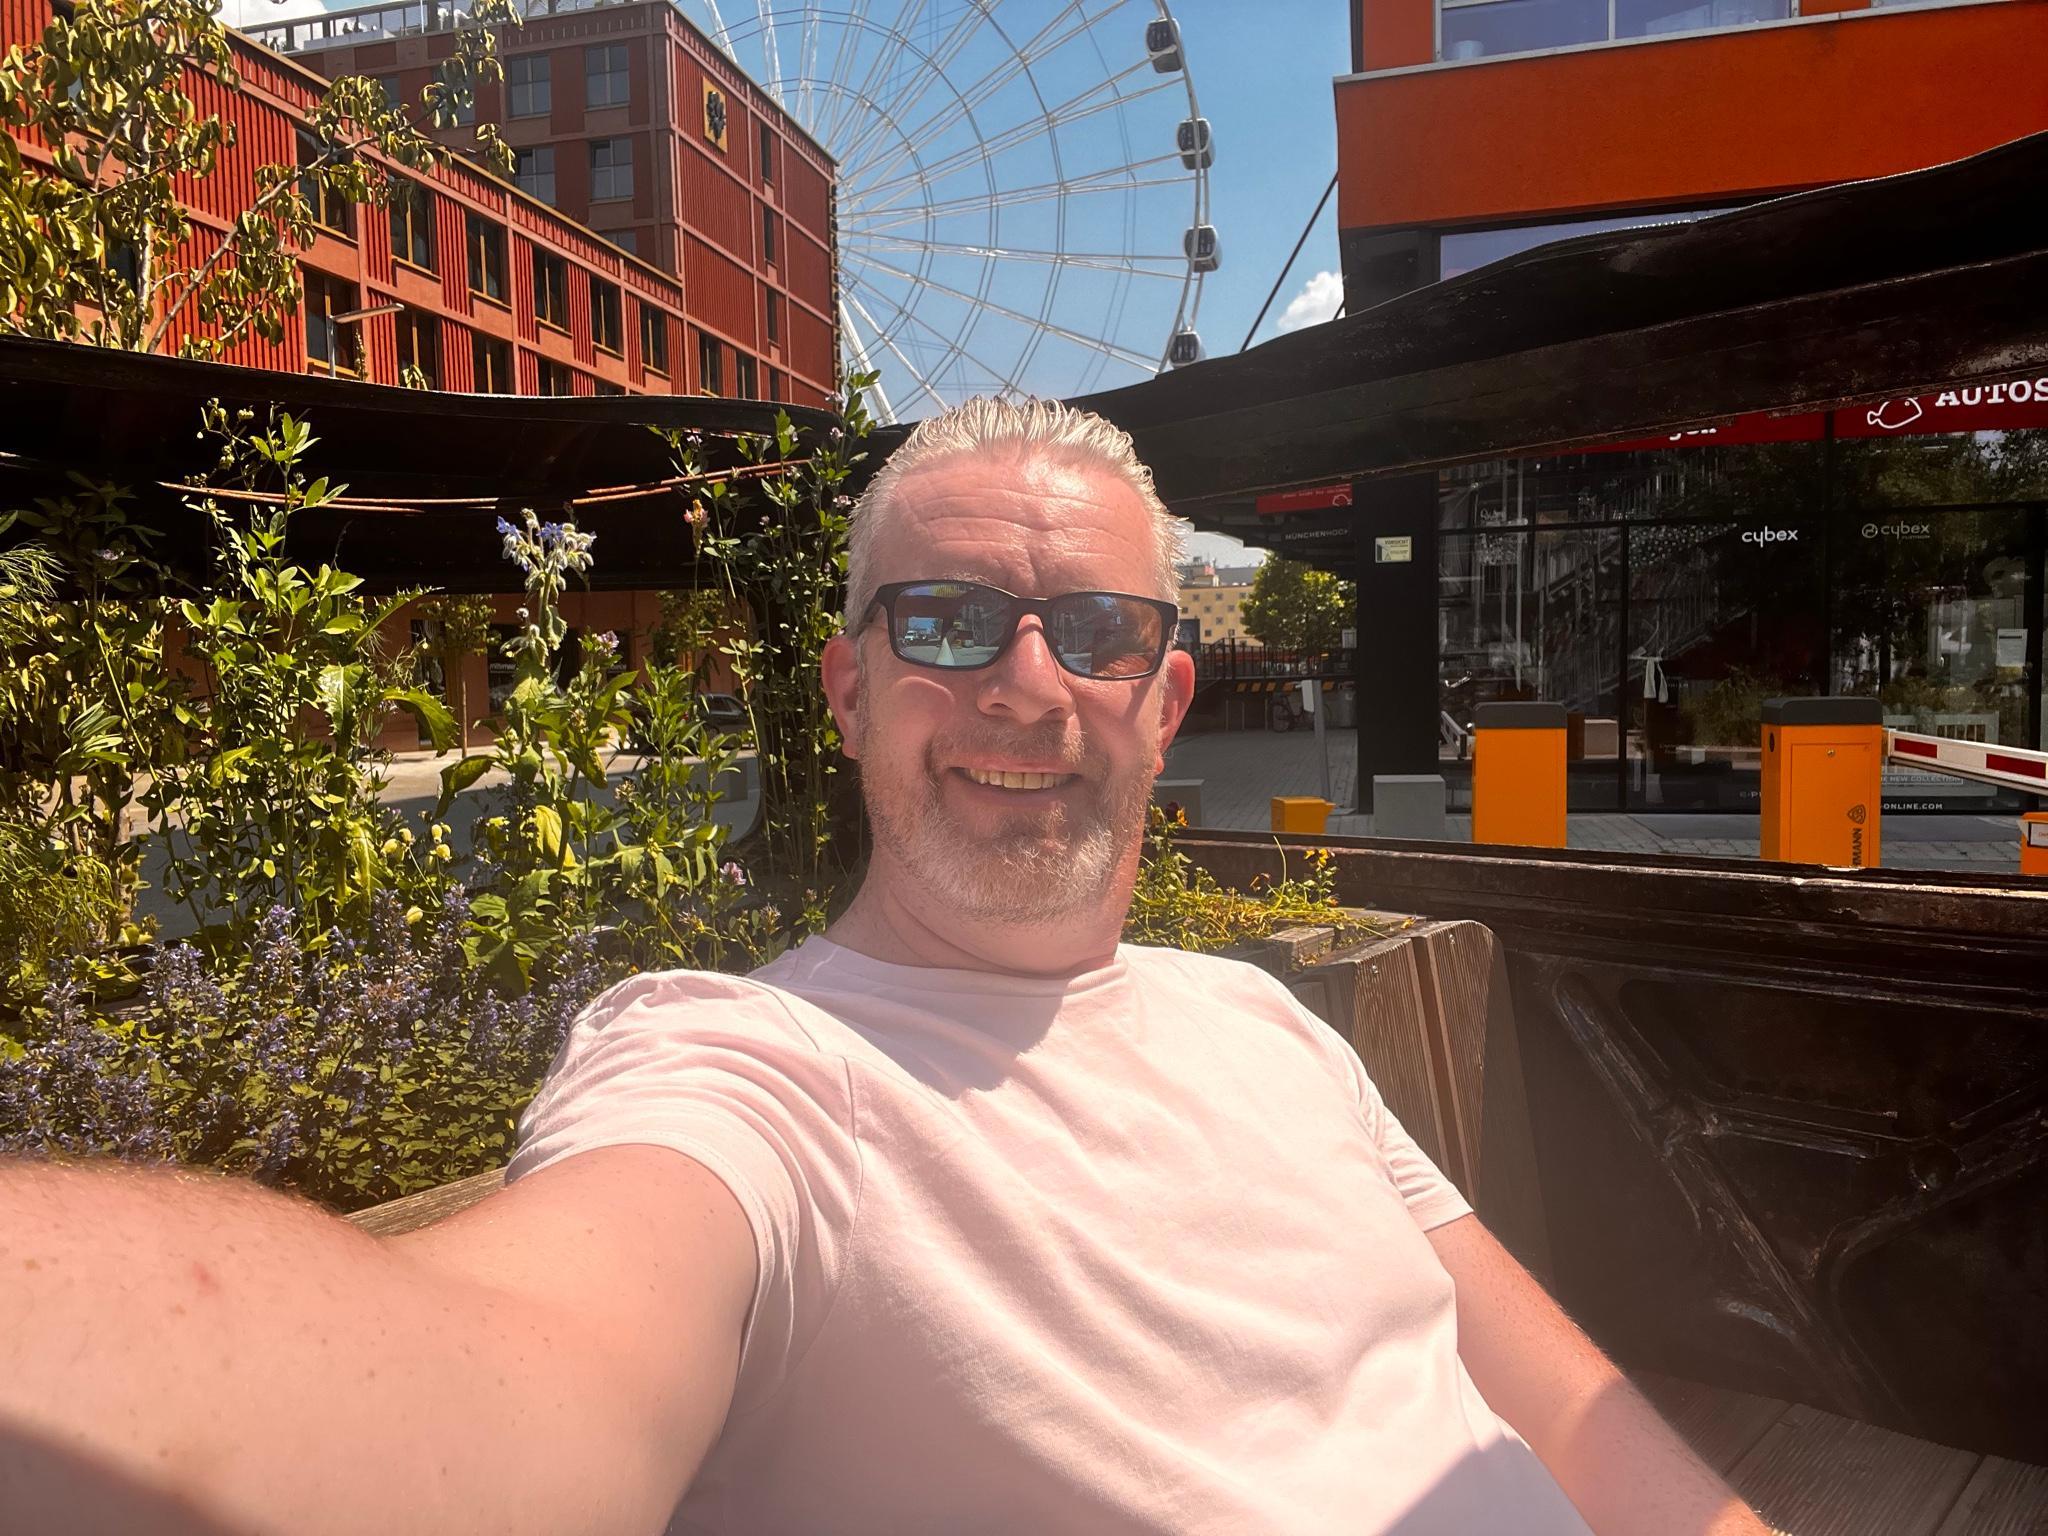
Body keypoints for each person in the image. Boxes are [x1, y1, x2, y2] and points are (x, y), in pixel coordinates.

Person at [0, 399, 1768, 1536]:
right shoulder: (746, 1074)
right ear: (849, 692)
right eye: (945, 623)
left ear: (1164, 702)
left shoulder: (1266, 1025)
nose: (1024, 686)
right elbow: (492, 1369)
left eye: (1095, 632)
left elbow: (1561, 1402)